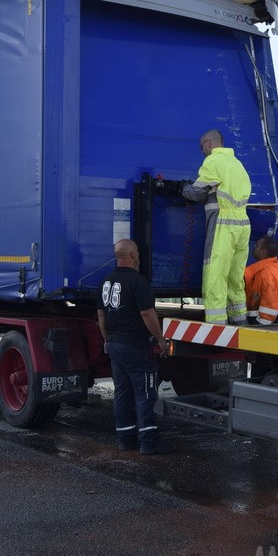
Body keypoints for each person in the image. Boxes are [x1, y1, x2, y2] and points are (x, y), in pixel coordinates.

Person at [97, 238, 173, 455]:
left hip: (115, 345)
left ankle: (125, 439)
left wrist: (106, 339)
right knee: (146, 393)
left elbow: (101, 315)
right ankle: (149, 443)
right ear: (131, 255)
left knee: (122, 393)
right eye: (137, 251)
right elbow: (147, 313)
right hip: (135, 347)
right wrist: (160, 339)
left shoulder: (106, 282)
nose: (138, 255)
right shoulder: (138, 282)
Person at [183, 129, 252, 325]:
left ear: (208, 143)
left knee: (215, 274)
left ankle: (216, 325)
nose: (202, 150)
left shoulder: (213, 162)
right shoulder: (237, 164)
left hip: (223, 224)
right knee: (234, 276)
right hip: (243, 225)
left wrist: (183, 189)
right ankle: (240, 320)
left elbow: (197, 193)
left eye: (201, 146)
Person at [244, 235, 278, 325]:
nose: (254, 246)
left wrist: (259, 327)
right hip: (274, 321)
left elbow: (271, 306)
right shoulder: (277, 264)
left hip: (264, 323)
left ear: (262, 251)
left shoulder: (267, 273)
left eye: (257, 245)